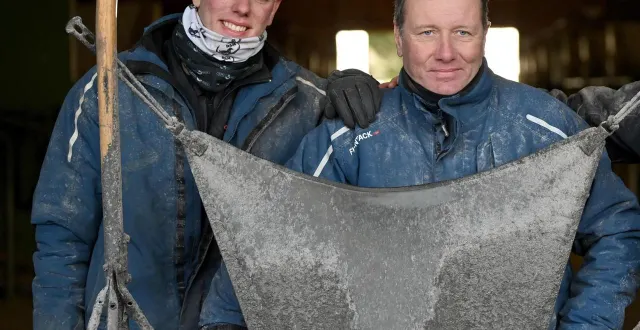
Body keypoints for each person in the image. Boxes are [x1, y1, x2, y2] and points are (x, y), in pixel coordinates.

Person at [203, 0, 640, 329]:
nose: (446, 52)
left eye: (463, 33)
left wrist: (587, 324)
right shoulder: (350, 135)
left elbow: (616, 229)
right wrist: (222, 321)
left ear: (485, 32)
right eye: (427, 32)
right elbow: (273, 237)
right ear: (397, 35)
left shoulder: (546, 127)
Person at [30, 1, 383, 329]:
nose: (242, 8)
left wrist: (373, 98)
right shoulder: (107, 90)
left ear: (274, 8)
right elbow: (62, 238)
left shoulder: (307, 105)